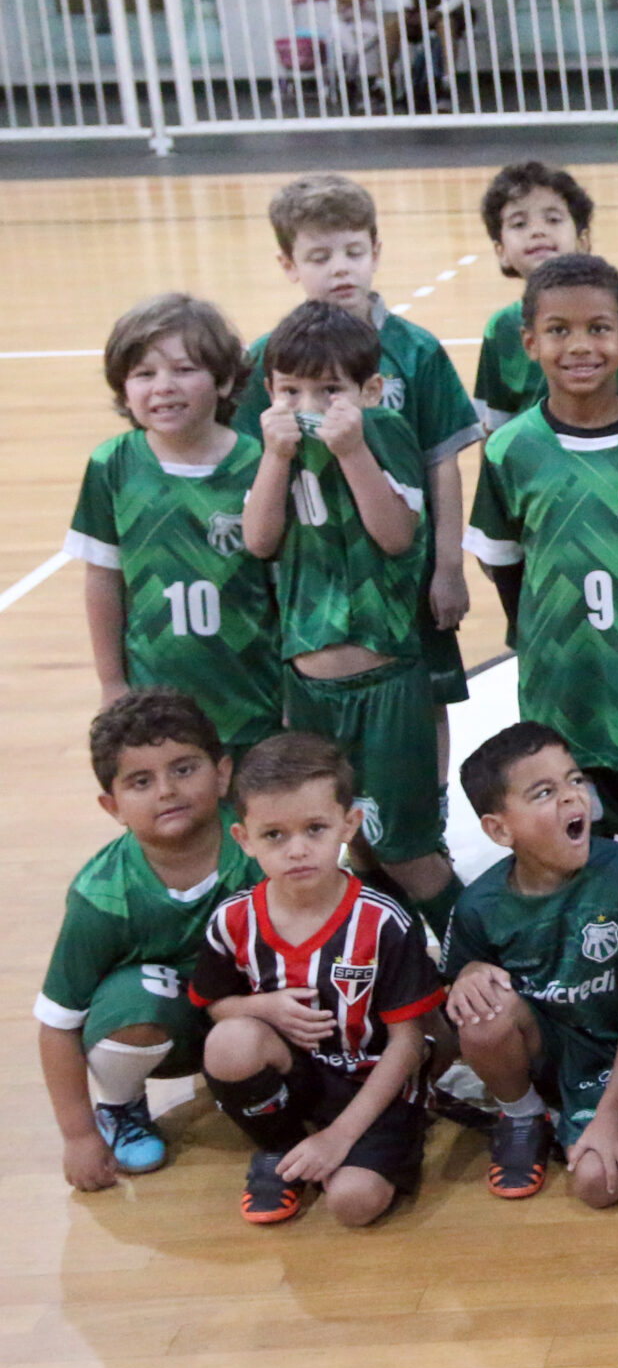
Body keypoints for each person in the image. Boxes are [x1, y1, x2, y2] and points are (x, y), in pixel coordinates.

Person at [465, 254, 618, 911]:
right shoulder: (511, 449)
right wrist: (542, 636)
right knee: (571, 860)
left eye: (599, 329)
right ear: (529, 344)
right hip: (560, 696)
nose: (580, 346)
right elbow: (504, 563)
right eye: (559, 330)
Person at [239, 302, 456, 931]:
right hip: (309, 683)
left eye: (330, 390)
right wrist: (275, 458)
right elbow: (258, 539)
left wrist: (354, 451)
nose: (309, 405)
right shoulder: (274, 443)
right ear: (271, 391)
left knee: (408, 848)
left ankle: (480, 966)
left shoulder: (384, 431)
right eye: (291, 390)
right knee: (349, 846)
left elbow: (394, 534)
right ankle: (393, 968)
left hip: (384, 678)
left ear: (370, 390)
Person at [240, 174, 479, 743]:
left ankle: (432, 811)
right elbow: (252, 475)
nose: (339, 268)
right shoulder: (267, 360)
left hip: (402, 573)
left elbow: (441, 463)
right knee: (315, 720)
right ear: (288, 263)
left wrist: (448, 566)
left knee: (427, 693)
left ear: (376, 251)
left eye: (352, 251)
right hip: (311, 584)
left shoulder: (416, 351)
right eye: (319, 256)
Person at [195, 733, 444, 1227]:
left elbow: (409, 1042)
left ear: (348, 826)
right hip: (298, 1073)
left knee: (353, 1204)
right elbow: (215, 1004)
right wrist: (260, 1008)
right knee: (229, 1042)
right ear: (244, 838)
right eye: (274, 835)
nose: (297, 851)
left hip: (374, 1082)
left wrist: (341, 1136)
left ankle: (337, 1145)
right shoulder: (232, 921)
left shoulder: (383, 921)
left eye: (314, 828)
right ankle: (280, 1147)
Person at [40, 691, 262, 1189]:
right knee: (133, 1004)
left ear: (223, 774)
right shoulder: (101, 896)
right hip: (174, 1027)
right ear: (112, 806)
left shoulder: (264, 846)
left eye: (184, 769)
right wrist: (77, 1136)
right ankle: (119, 1108)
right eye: (141, 781)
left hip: (260, 1015)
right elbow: (57, 1023)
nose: (167, 790)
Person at [446, 722, 618, 1208]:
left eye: (574, 780)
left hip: (617, 1057)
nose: (573, 798)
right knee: (480, 1014)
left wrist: (612, 1112)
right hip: (543, 1049)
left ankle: (603, 1111)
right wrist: (465, 978)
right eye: (545, 791)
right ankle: (523, 1115)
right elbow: (453, 1006)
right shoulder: (477, 904)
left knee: (597, 1187)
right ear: (499, 829)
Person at [70, 294, 279, 756]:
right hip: (156, 708)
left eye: (184, 370)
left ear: (224, 381)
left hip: (254, 701)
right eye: (144, 374)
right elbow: (103, 579)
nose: (163, 386)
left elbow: (285, 585)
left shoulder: (261, 463)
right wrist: (111, 683)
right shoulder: (113, 465)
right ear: (124, 389)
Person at [472, 162, 618, 429]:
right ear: (501, 251)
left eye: (553, 219)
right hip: (539, 468)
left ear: (583, 240)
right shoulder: (502, 327)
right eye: (519, 223)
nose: (537, 231)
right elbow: (496, 426)